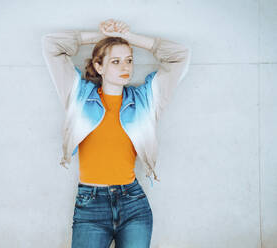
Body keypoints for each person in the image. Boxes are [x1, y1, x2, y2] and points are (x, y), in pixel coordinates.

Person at [42, 19, 191, 248]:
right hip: (90, 206)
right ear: (99, 66)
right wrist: (101, 37)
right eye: (116, 61)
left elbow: (180, 55)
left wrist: (129, 38)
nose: (126, 68)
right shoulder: (78, 96)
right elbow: (51, 45)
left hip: (133, 204)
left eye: (129, 60)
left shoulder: (146, 101)